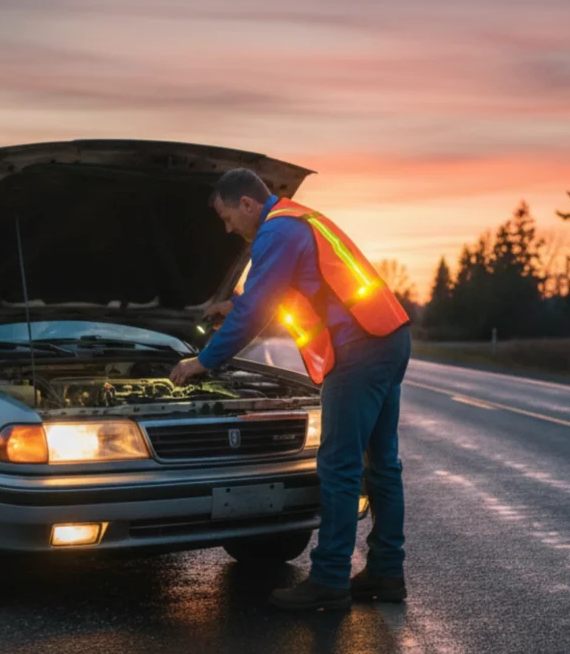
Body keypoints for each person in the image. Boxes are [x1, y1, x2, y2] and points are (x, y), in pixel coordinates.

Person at [169, 168, 412, 611]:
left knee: (338, 465)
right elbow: (280, 293)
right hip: (388, 336)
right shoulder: (298, 221)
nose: (227, 229)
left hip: (358, 348)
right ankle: (387, 571)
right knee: (381, 463)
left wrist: (201, 362)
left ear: (246, 203)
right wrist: (235, 303)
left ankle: (330, 580)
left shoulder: (276, 232)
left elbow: (254, 316)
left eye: (226, 218)